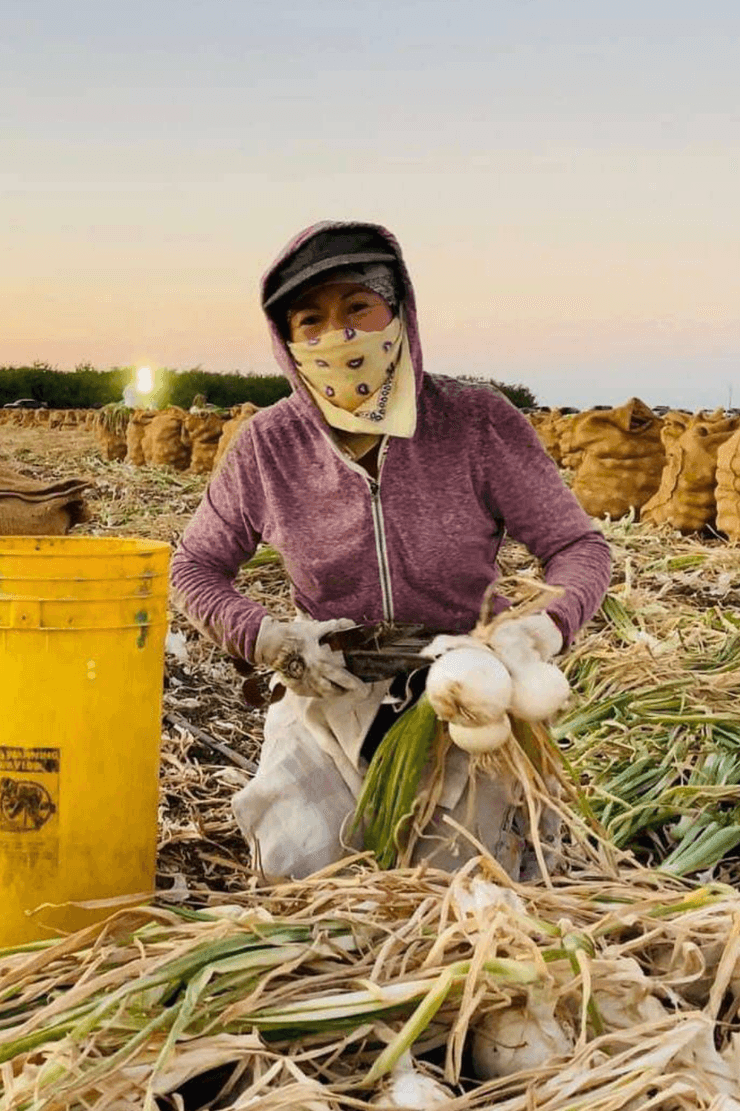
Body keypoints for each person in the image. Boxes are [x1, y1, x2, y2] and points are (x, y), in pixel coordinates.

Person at [170, 220, 612, 879]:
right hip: (330, 683)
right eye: (311, 321)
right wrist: (270, 640)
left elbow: (577, 544)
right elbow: (194, 566)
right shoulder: (269, 445)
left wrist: (543, 629)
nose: (338, 336)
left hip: (462, 690)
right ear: (287, 342)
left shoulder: (476, 422)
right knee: (298, 869)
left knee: (462, 883)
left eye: (358, 308)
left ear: (399, 311)